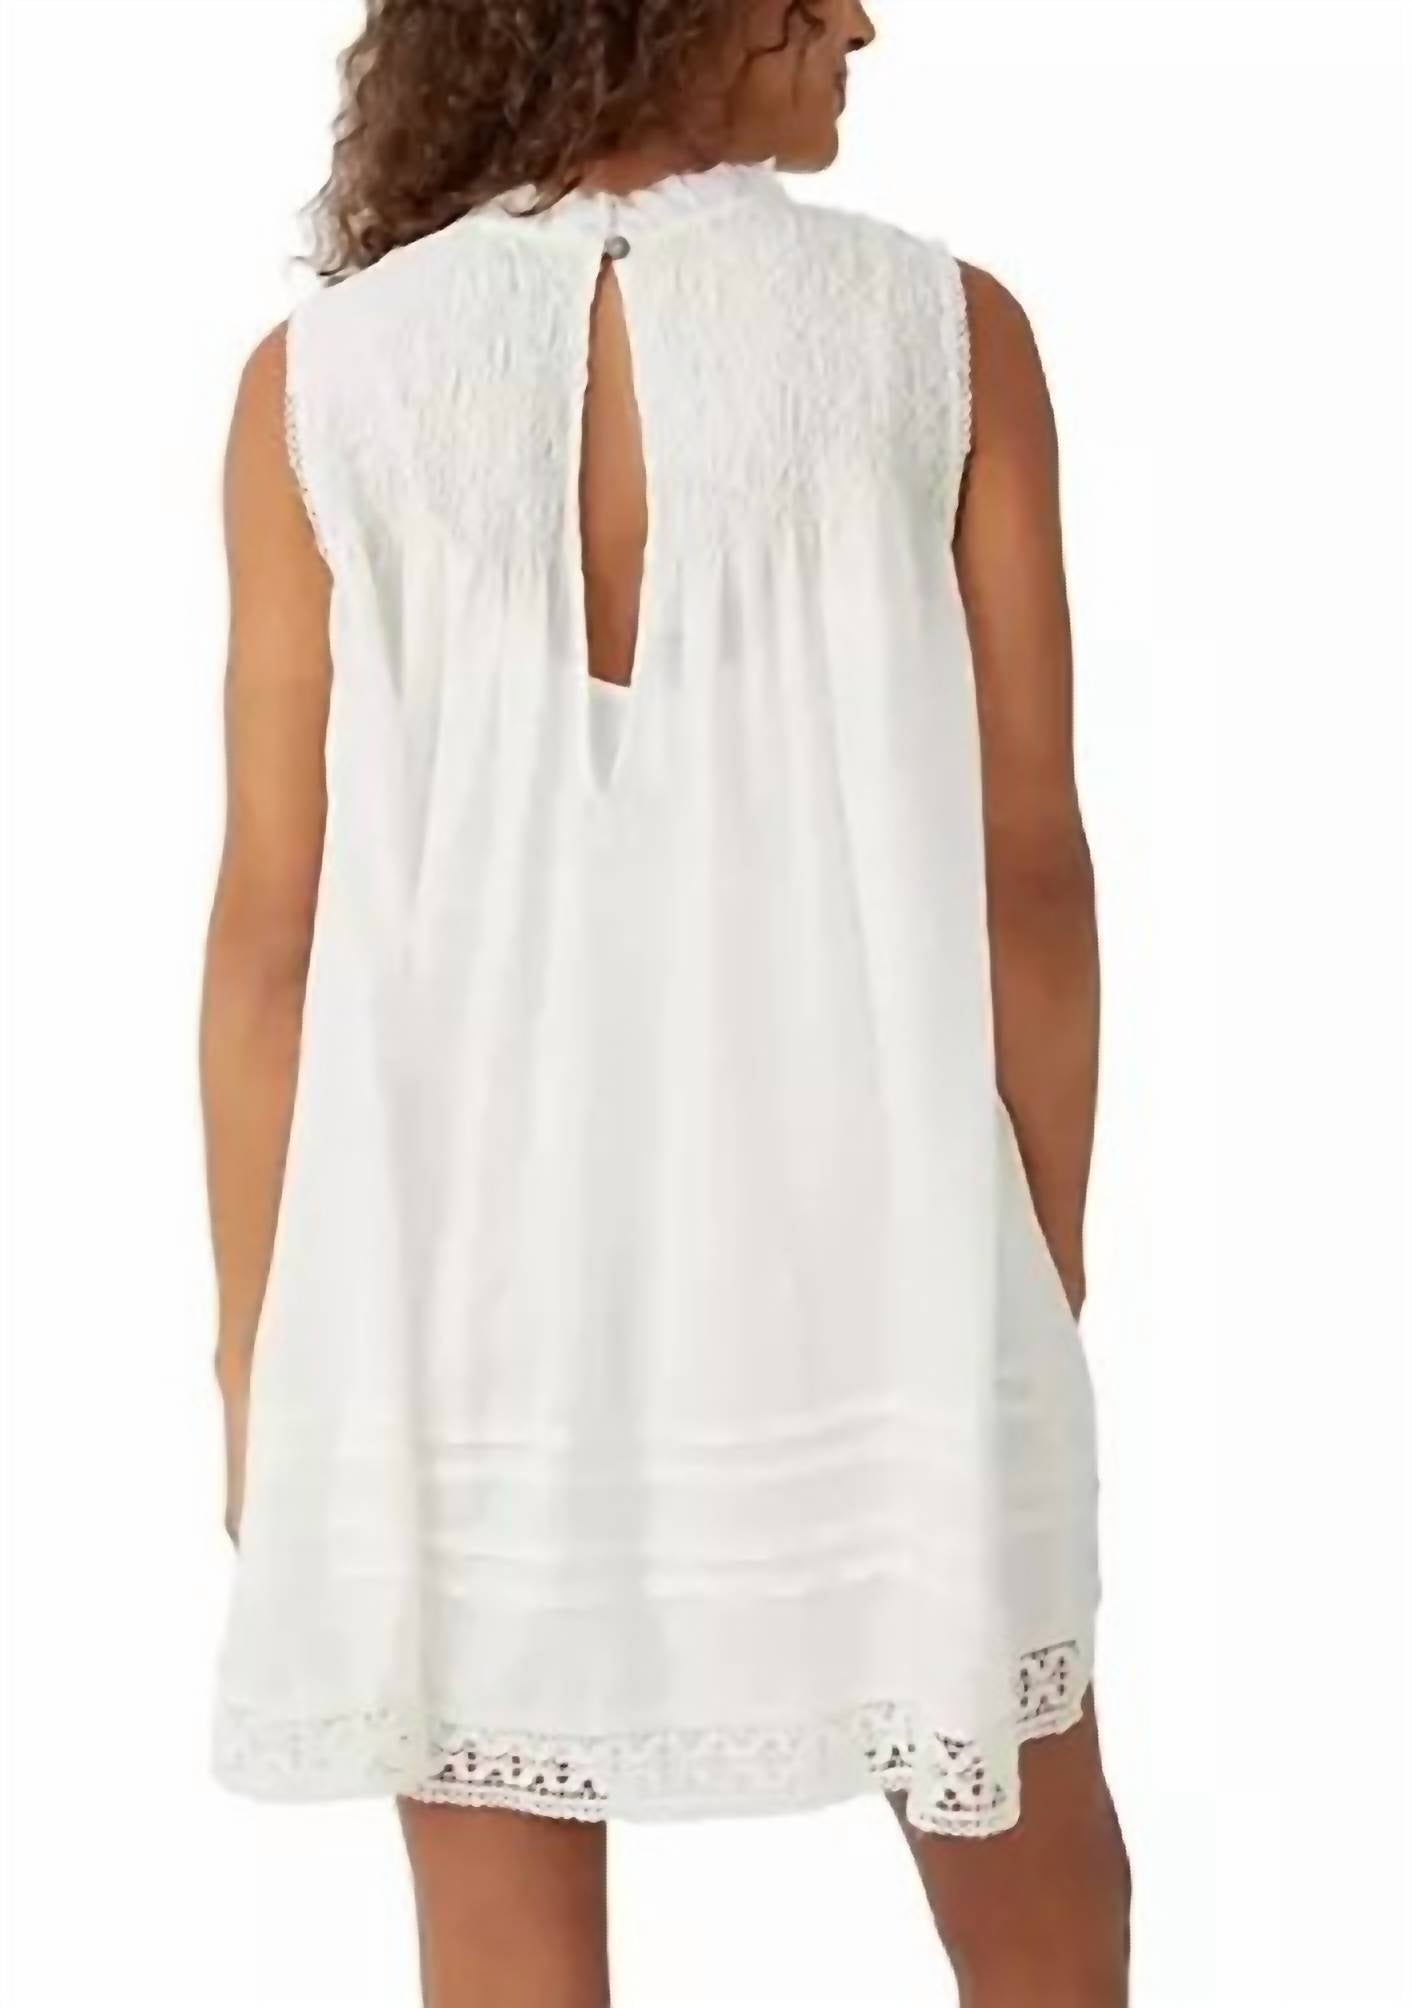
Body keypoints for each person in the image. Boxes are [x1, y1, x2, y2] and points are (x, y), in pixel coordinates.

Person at [200, 1, 1131, 2001]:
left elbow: (270, 926)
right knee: (1047, 1910)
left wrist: (254, 1350)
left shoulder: (322, 382)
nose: (861, 18)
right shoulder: (943, 333)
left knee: (501, 1941)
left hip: (452, 1274)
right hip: (871, 1242)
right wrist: (1025, 1268)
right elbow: (1030, 873)